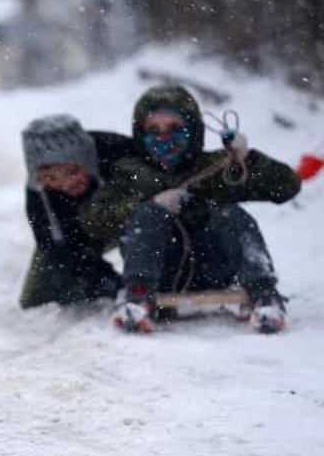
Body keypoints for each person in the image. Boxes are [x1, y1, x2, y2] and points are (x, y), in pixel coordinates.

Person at [81, 85, 301, 334]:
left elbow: (286, 187)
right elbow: (93, 220)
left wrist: (248, 159)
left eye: (174, 129)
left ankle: (264, 293)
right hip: (159, 270)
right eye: (153, 130)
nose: (163, 138)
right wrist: (150, 204)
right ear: (140, 134)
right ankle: (138, 298)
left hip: (213, 265)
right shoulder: (129, 172)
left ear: (193, 130)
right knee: (147, 215)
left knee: (231, 213)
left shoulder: (217, 166)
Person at [18, 115, 135, 309]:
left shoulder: (120, 153)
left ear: (87, 161)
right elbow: (56, 248)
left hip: (129, 218)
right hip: (79, 232)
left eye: (72, 172)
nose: (66, 184)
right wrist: (110, 284)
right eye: (50, 178)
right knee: (36, 298)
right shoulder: (38, 195)